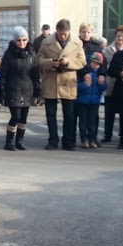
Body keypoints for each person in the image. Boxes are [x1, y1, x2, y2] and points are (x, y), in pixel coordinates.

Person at [37, 19, 86, 150]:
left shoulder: (77, 42)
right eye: (60, 34)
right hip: (51, 81)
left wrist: (68, 61)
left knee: (69, 114)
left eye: (65, 34)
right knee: (50, 114)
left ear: (69, 31)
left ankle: (68, 141)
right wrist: (51, 63)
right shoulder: (46, 42)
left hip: (68, 81)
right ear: (56, 31)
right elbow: (39, 59)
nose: (62, 36)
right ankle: (53, 140)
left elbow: (82, 61)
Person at [0, 27, 40, 151]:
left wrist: (37, 90)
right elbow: (3, 73)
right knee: (15, 116)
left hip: (27, 89)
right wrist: (2, 89)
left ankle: (19, 141)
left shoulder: (32, 53)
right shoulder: (9, 54)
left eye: (24, 40)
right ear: (14, 41)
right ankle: (9, 142)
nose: (22, 42)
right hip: (13, 89)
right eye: (19, 40)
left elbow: (35, 73)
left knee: (23, 118)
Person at [101, 26, 123, 143]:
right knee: (109, 112)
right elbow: (103, 66)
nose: (120, 38)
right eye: (118, 36)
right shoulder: (107, 50)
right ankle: (108, 134)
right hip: (110, 84)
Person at [76, 52, 107, 148]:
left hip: (94, 101)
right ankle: (84, 140)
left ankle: (92, 140)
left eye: (98, 64)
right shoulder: (84, 73)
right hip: (82, 101)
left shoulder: (99, 74)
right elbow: (76, 87)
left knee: (93, 122)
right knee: (83, 122)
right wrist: (85, 85)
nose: (95, 65)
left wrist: (102, 84)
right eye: (94, 62)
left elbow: (104, 87)